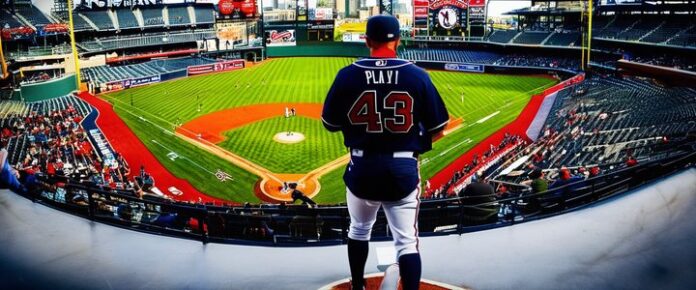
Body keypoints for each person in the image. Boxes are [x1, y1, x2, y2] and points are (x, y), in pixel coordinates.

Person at [322, 15, 449, 290]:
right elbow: (439, 127)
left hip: (362, 168)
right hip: (402, 170)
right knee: (406, 242)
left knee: (358, 230)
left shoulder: (347, 75)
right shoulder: (417, 74)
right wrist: (414, 142)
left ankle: (358, 286)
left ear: (367, 40)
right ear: (398, 41)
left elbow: (329, 124)